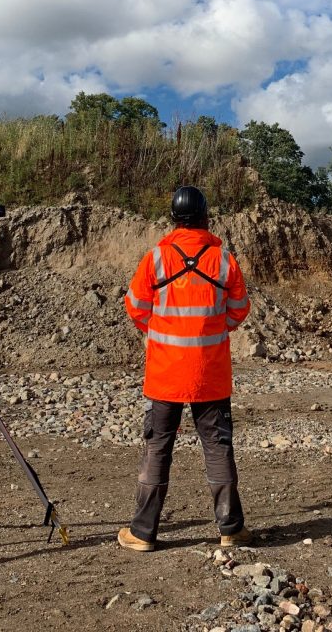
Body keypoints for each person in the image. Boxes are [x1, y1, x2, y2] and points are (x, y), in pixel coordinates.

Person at [118, 185, 253, 551]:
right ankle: (231, 529)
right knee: (217, 446)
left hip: (165, 374)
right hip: (210, 374)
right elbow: (240, 309)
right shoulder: (223, 260)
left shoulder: (156, 259)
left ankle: (143, 533)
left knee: (157, 447)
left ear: (174, 219)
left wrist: (161, 332)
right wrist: (210, 327)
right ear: (206, 218)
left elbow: (135, 307)